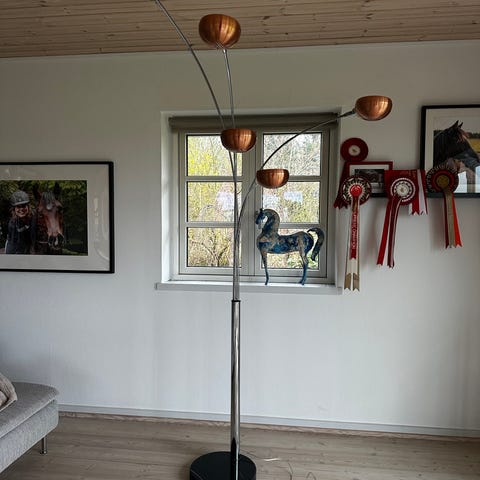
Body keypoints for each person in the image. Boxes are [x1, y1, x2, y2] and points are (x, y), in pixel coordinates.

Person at [5, 190, 36, 254]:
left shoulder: (35, 217)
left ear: (28, 207)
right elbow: (14, 245)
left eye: (24, 206)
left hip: (32, 246)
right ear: (14, 209)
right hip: (15, 245)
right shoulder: (12, 223)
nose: (21, 209)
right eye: (18, 207)